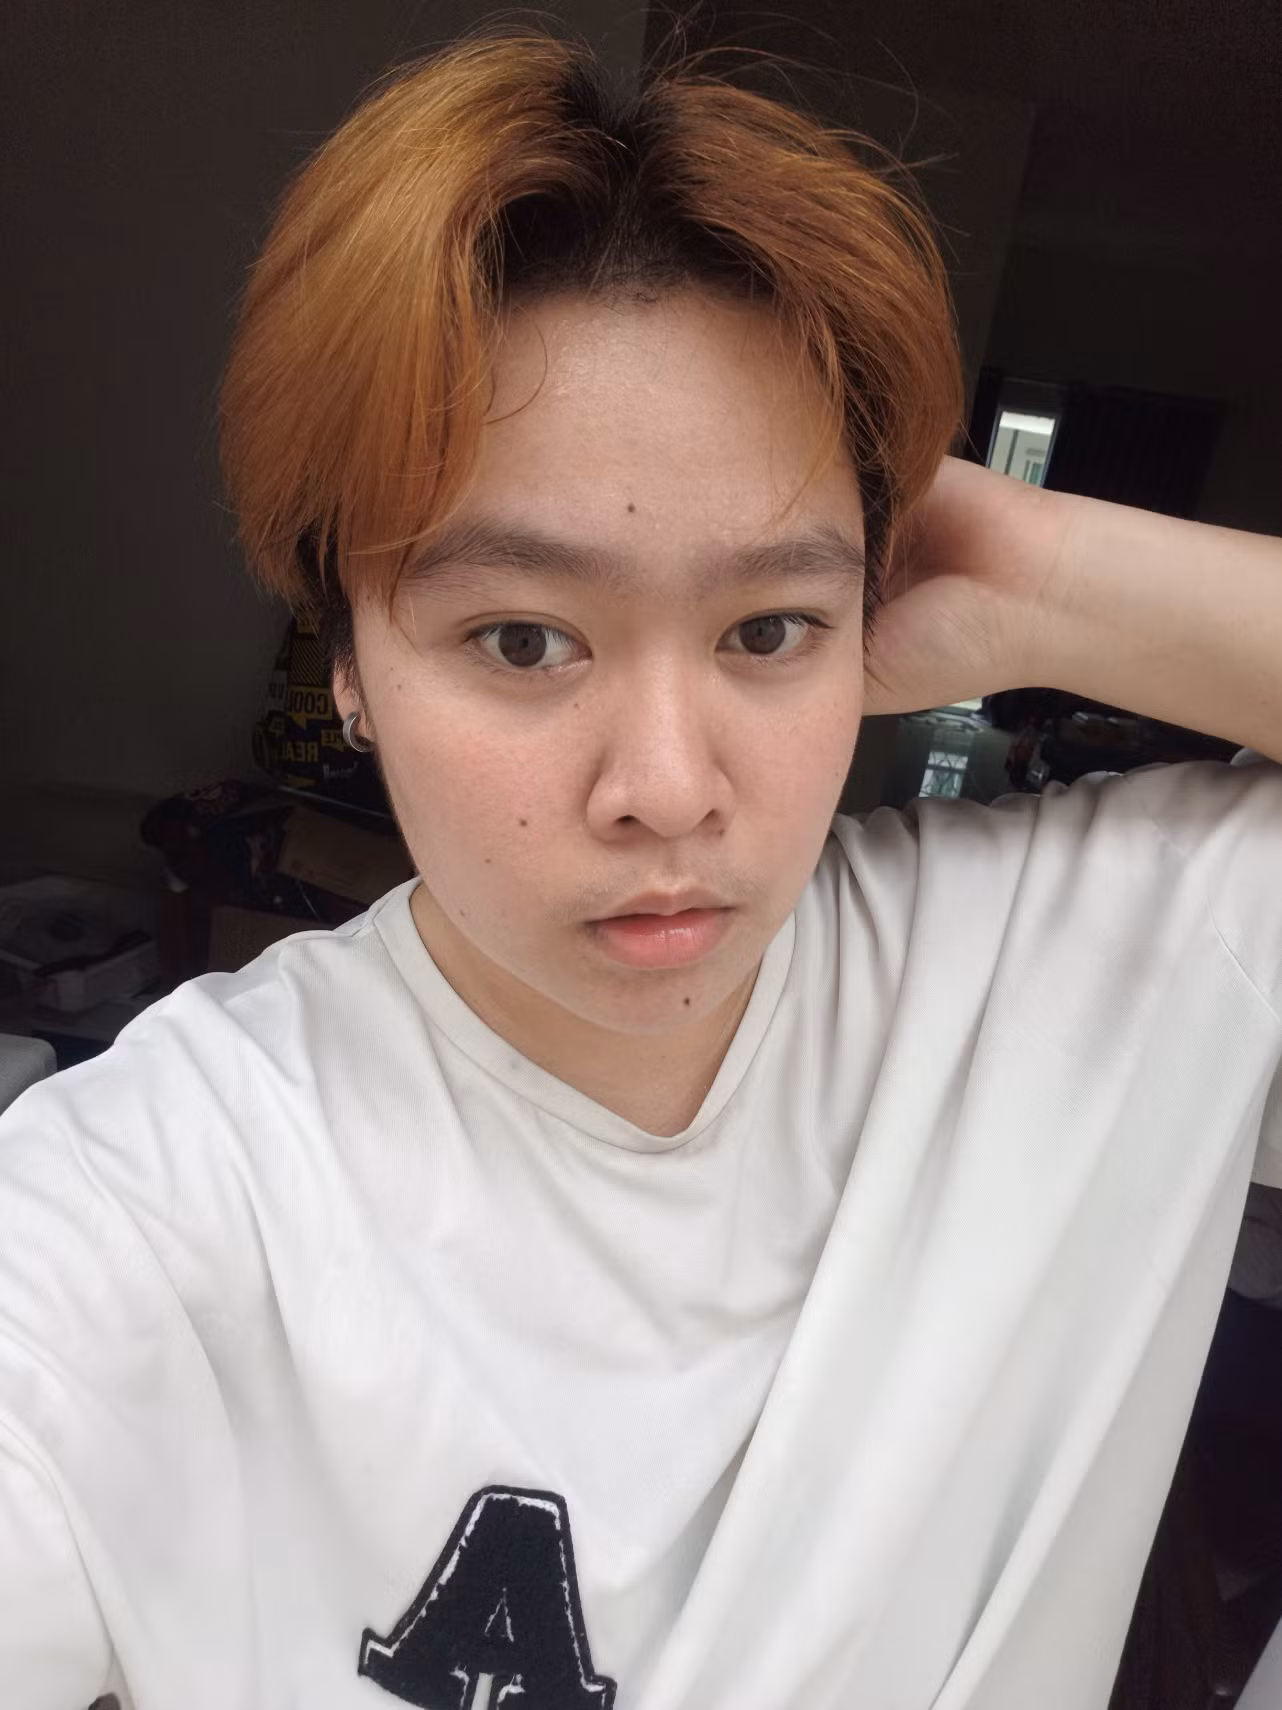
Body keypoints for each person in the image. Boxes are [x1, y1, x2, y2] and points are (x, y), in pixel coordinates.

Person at [2, 26, 1280, 1710]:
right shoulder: (141, 1206)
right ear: (348, 664)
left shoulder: (1096, 960)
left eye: (768, 628)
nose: (668, 789)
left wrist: (1044, 571)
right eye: (523, 638)